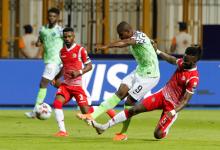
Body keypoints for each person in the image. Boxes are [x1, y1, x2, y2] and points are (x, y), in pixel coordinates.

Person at [91, 45, 202, 140]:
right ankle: (104, 127)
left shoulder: (193, 78)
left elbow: (185, 101)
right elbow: (172, 60)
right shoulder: (183, 63)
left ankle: (165, 129)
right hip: (162, 96)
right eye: (184, 58)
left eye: (187, 61)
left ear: (195, 60)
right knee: (134, 109)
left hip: (172, 107)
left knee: (157, 135)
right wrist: (157, 51)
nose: (183, 62)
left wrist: (173, 112)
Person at [77, 21, 160, 141]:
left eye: (121, 34)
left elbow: (126, 42)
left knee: (129, 102)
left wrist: (107, 46)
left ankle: (123, 133)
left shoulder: (138, 36)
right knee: (120, 93)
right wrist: (153, 43)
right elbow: (148, 42)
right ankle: (91, 116)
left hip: (150, 76)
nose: (120, 37)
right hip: (139, 71)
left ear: (128, 31)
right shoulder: (138, 37)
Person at [53, 27, 115, 136]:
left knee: (86, 113)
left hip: (77, 86)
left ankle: (104, 109)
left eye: (69, 36)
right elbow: (64, 67)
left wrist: (79, 72)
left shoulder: (80, 50)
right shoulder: (61, 52)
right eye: (65, 37)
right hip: (66, 85)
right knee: (57, 103)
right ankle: (62, 131)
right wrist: (56, 77)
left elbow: (89, 66)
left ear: (74, 37)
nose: (67, 39)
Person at [25, 8, 63, 118]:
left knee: (43, 83)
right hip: (48, 60)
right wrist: (37, 43)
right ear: (47, 16)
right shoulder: (43, 29)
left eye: (54, 16)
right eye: (50, 16)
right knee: (55, 83)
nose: (52, 18)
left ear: (57, 17)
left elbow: (68, 42)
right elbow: (40, 41)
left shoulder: (60, 30)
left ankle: (35, 111)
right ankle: (78, 96)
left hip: (55, 61)